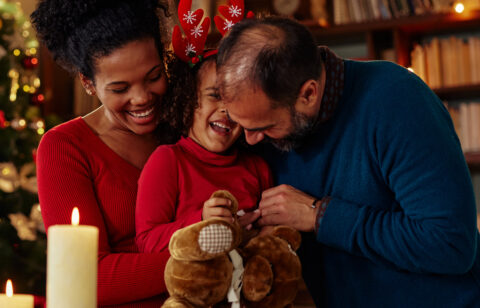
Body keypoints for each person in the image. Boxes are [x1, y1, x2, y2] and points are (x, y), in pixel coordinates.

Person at [216, 16, 480, 307]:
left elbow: (450, 244)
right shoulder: (266, 124)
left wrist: (318, 216)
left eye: (264, 127)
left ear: (308, 94)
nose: (250, 139)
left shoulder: (397, 100)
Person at [32, 0, 182, 306]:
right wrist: (203, 259)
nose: (141, 98)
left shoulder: (188, 123)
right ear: (89, 84)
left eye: (153, 76)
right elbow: (86, 275)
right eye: (119, 88)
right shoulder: (65, 147)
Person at [135, 53, 273, 253]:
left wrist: (265, 233)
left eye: (237, 99)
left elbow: (270, 232)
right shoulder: (168, 160)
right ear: (188, 98)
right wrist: (201, 222)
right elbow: (147, 242)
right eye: (215, 95)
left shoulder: (258, 167)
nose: (227, 109)